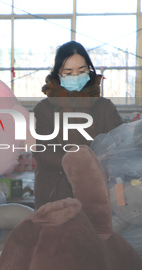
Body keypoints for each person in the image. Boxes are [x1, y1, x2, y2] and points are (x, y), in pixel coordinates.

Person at [32, 41, 123, 209]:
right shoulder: (44, 109)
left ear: (89, 71)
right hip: (56, 194)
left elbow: (119, 146)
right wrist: (81, 164)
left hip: (98, 192)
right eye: (69, 72)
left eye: (81, 71)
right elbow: (42, 152)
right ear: (58, 74)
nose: (76, 77)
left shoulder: (104, 107)